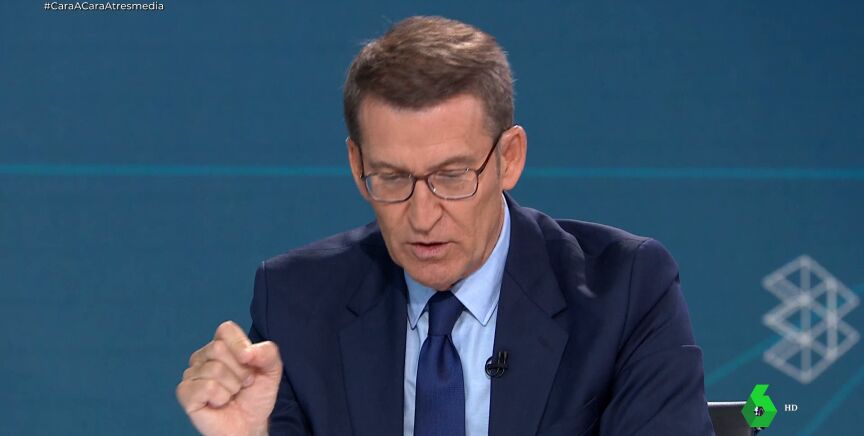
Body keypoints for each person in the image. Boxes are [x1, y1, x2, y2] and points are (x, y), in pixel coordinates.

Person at [176, 16, 715, 436]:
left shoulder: (623, 293)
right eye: (392, 177)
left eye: (452, 176)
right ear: (357, 166)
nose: (422, 215)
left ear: (509, 157)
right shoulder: (297, 305)